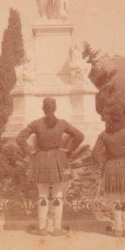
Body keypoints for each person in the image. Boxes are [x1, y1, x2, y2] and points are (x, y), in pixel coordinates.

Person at [16, 97, 85, 236]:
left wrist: (31, 152)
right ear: (55, 108)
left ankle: (42, 228)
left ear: (43, 108)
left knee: (42, 194)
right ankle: (57, 228)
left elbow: (20, 138)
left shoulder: (36, 124)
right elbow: (79, 136)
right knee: (58, 194)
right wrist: (69, 150)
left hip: (41, 160)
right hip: (59, 159)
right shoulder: (62, 123)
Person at [92, 104, 125, 237]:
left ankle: (117, 228)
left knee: (116, 201)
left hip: (111, 167)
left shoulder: (104, 135)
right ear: (122, 118)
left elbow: (95, 152)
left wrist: (103, 165)